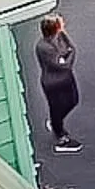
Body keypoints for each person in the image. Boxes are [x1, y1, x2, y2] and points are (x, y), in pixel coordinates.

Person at [33, 15, 81, 153]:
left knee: (73, 101)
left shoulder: (59, 37)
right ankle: (61, 137)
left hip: (66, 79)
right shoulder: (44, 47)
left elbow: (69, 48)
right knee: (56, 107)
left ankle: (55, 122)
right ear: (55, 28)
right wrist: (70, 53)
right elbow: (64, 64)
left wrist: (67, 46)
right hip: (54, 83)